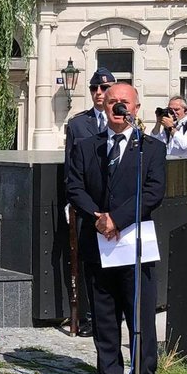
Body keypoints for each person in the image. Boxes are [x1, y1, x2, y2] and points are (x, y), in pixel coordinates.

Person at [65, 83, 166, 374]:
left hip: (133, 242)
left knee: (139, 313)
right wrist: (98, 217)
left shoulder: (150, 148)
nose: (117, 107)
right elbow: (74, 186)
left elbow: (152, 192)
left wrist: (117, 220)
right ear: (103, 107)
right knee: (104, 313)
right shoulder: (86, 146)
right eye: (111, 102)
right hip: (97, 240)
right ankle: (108, 373)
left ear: (136, 109)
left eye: (124, 102)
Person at [63, 67, 115, 338]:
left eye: (104, 88)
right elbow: (70, 168)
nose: (98, 93)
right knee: (87, 261)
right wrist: (73, 202)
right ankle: (88, 316)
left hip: (116, 207)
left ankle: (111, 315)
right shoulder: (78, 124)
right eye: (95, 88)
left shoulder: (121, 122)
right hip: (87, 205)